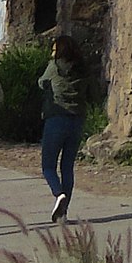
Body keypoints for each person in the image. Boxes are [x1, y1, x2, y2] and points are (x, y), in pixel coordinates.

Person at [38, 32, 90, 223]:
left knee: (48, 165)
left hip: (56, 118)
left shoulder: (54, 66)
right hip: (77, 120)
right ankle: (63, 212)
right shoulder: (83, 69)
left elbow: (42, 83)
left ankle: (58, 193)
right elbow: (93, 91)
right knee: (67, 166)